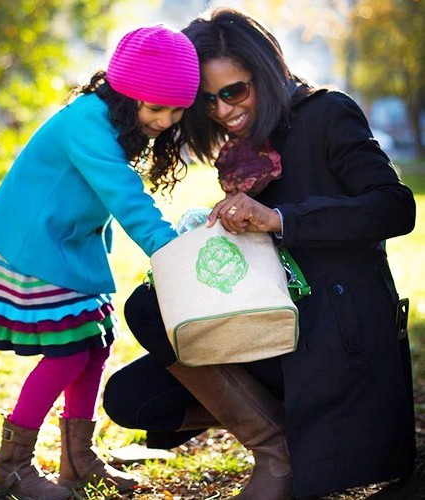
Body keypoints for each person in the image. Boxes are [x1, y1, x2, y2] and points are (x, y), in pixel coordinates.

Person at [102, 8, 417, 500]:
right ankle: (280, 441)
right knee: (133, 388)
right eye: (208, 100)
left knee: (150, 322)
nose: (223, 110)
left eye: (234, 91)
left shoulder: (327, 112)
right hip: (272, 314)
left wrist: (280, 219)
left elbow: (394, 207)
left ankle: (281, 459)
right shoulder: (242, 149)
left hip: (335, 328)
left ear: (264, 72)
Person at [0, 23, 200, 500]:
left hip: (67, 244)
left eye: (177, 109)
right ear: (126, 95)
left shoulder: (114, 121)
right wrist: (172, 253)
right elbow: (125, 196)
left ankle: (78, 461)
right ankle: (11, 468)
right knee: (68, 351)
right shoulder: (86, 123)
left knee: (95, 344)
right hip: (32, 246)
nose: (166, 120)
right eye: (156, 108)